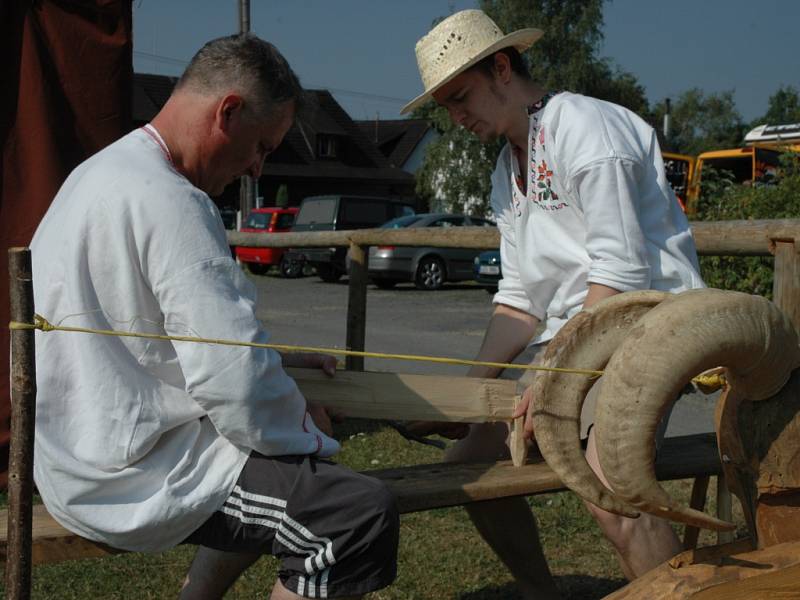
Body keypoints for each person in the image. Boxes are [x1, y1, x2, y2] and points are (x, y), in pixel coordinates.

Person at [30, 34, 398, 600]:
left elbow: (150, 342)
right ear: (228, 111)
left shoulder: (98, 174)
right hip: (126, 478)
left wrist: (272, 363)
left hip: (73, 455)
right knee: (354, 515)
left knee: (272, 464)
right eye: (263, 147)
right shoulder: (172, 200)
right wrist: (306, 431)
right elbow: (237, 387)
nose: (256, 168)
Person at [402, 9, 705, 600]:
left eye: (461, 97)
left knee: (607, 483)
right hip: (577, 340)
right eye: (445, 106)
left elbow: (621, 274)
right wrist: (471, 392)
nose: (457, 117)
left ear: (502, 67)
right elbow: (519, 301)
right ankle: (545, 592)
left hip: (646, 330)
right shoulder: (504, 168)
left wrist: (551, 372)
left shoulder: (583, 127)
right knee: (468, 465)